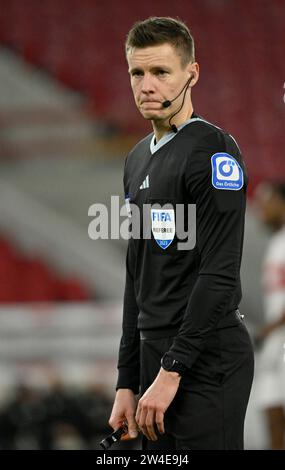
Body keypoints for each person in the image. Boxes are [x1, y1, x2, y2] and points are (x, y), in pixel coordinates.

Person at [109, 16, 254, 450]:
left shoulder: (211, 150)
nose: (147, 85)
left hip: (205, 358)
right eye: (138, 72)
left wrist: (172, 369)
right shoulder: (135, 160)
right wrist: (126, 381)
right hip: (157, 358)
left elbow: (221, 271)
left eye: (160, 72)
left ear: (192, 73)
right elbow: (137, 275)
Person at [254, 182, 285, 449]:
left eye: (269, 201)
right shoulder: (276, 242)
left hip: (279, 335)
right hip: (276, 341)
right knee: (271, 410)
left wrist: (268, 328)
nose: (262, 208)